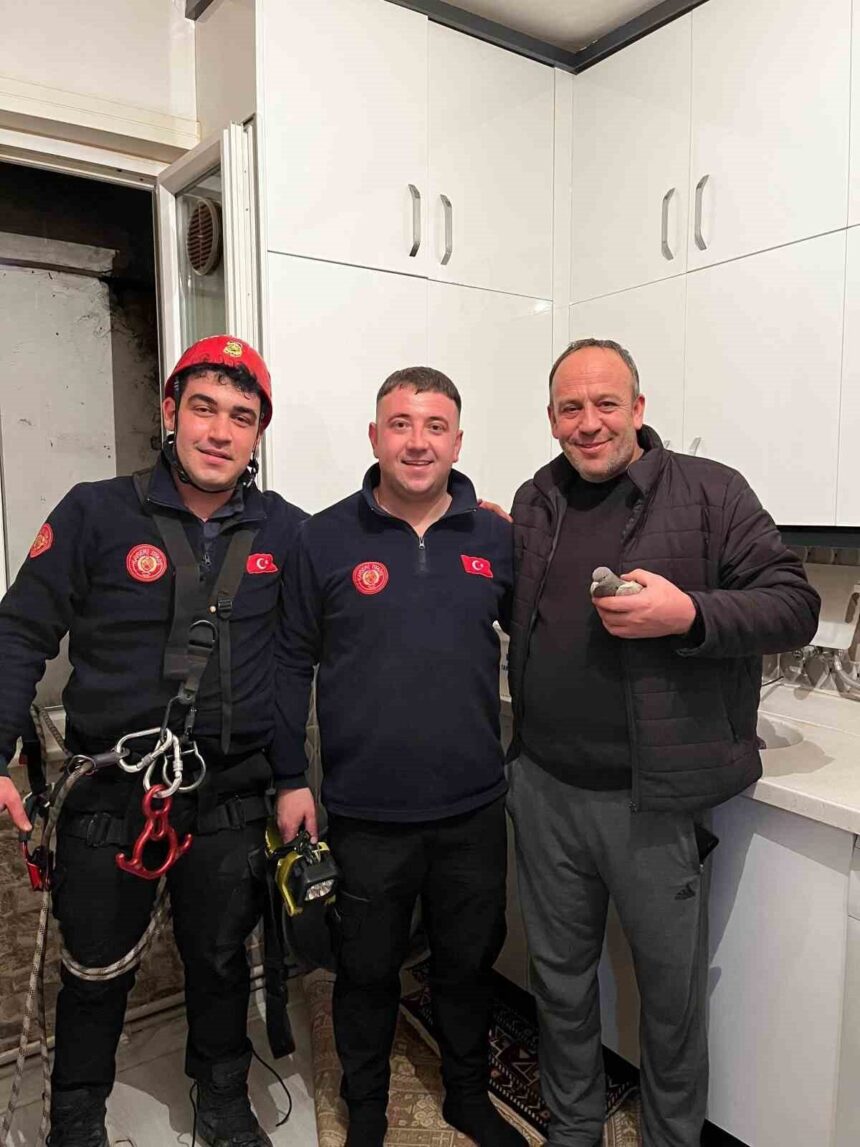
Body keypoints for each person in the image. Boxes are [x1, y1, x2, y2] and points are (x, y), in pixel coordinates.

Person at [505, 338, 820, 1147]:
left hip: (651, 802)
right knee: (559, 983)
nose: (589, 422)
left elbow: (795, 603)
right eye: (570, 407)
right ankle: (573, 1127)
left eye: (606, 403)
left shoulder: (711, 491)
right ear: (551, 418)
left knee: (670, 1002)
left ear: (639, 409)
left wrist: (690, 613)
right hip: (543, 787)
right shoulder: (537, 497)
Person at [0, 335, 307, 1147]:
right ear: (170, 411)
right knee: (95, 965)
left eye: (241, 416)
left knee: (221, 957)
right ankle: (76, 1115)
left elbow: (328, 620)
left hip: (230, 790)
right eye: (204, 407)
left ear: (258, 432)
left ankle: (222, 1096)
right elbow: (20, 630)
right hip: (111, 790)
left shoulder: (287, 531)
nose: (220, 430)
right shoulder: (95, 512)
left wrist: (463, 521)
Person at [273, 367, 523, 1147]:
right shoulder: (323, 537)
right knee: (365, 969)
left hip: (474, 806)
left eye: (435, 425)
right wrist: (289, 776)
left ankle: (467, 1097)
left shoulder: (496, 538)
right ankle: (369, 1110)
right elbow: (289, 662)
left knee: (467, 965)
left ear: (458, 440)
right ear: (375, 436)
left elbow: (542, 640)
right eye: (401, 424)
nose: (418, 442)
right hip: (365, 811)